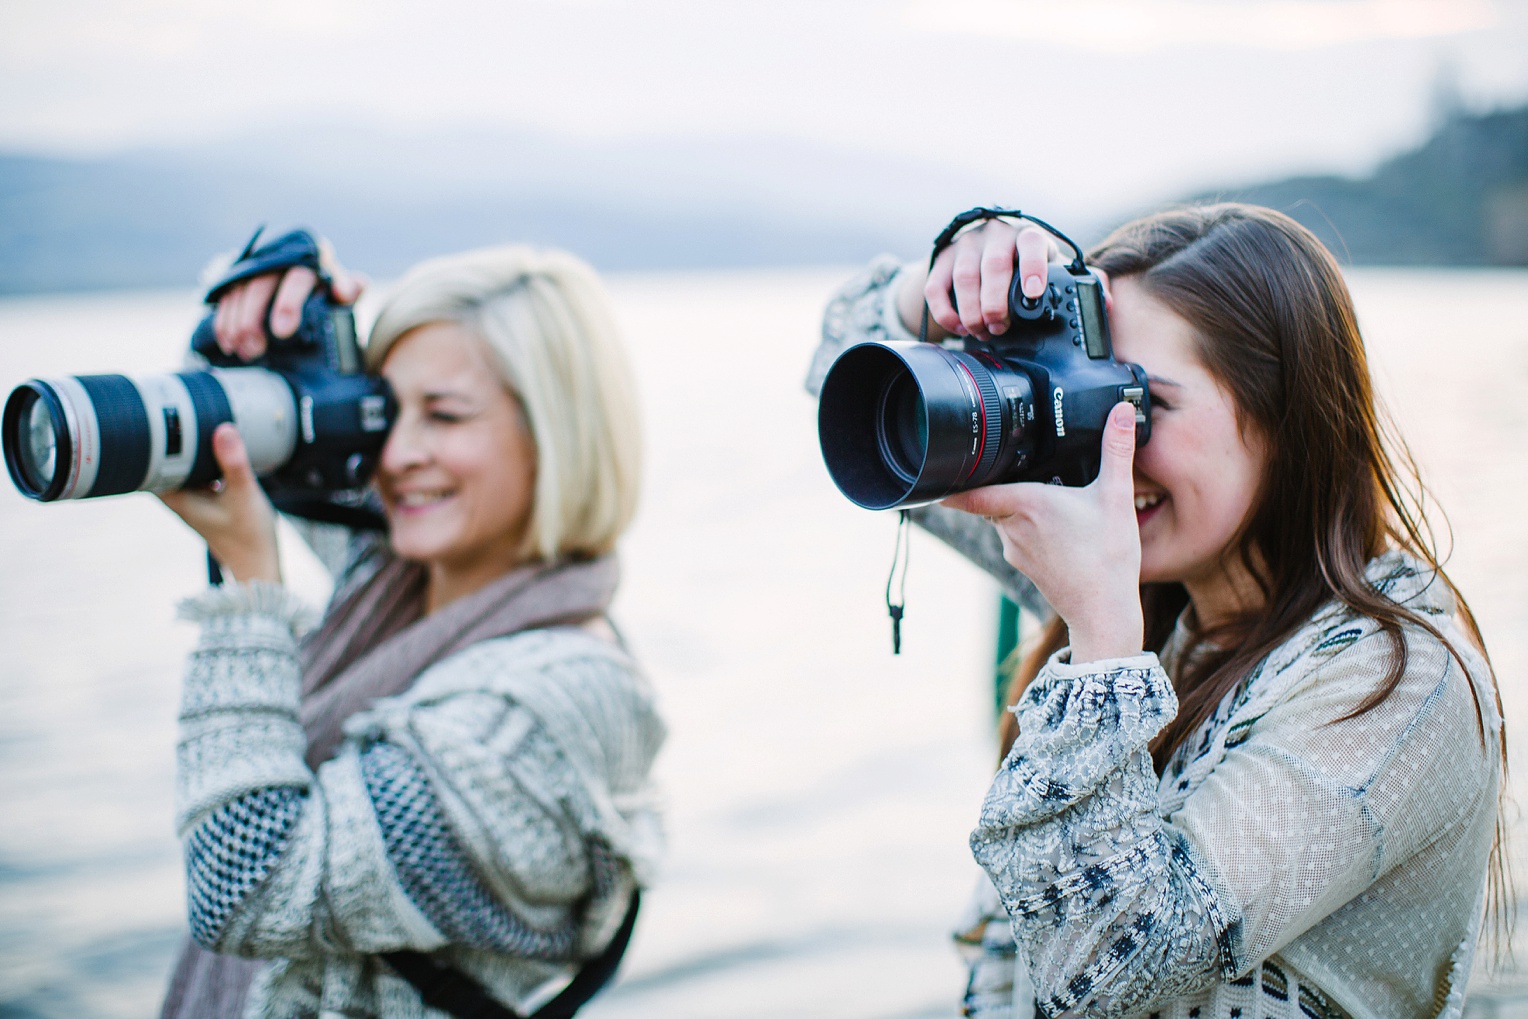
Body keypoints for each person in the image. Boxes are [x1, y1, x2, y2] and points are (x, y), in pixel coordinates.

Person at [806, 204, 1507, 1019]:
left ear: (1287, 414)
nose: (1103, 440)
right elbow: (839, 382)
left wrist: (1099, 637)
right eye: (1085, 388)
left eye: (1139, 400)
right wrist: (934, 297)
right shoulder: (1152, 589)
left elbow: (1101, 972)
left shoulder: (1394, 677)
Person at [156, 241, 665, 1018]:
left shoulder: (549, 710)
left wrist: (250, 590)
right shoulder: (397, 579)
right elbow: (274, 453)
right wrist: (256, 338)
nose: (394, 456)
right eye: (388, 411)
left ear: (557, 430)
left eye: (445, 415)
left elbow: (245, 884)